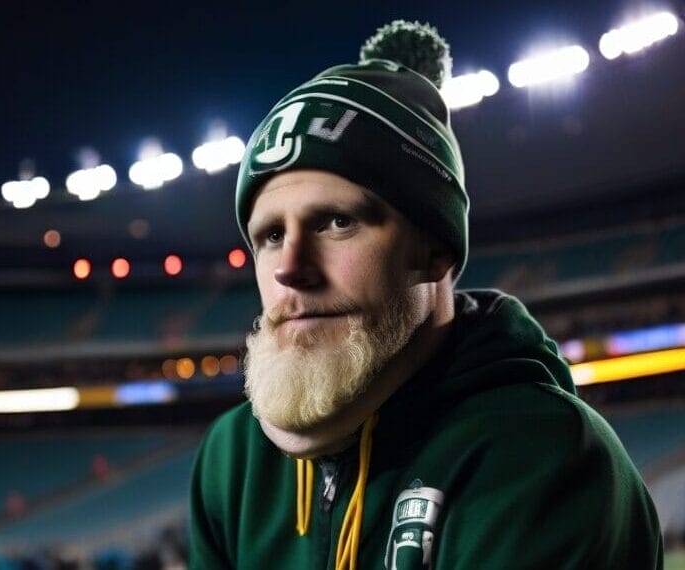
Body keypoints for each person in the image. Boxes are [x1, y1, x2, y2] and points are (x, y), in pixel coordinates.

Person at [188, 20, 663, 569]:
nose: (290, 269)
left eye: (338, 222)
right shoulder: (234, 459)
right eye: (271, 236)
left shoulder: (544, 456)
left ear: (435, 249)